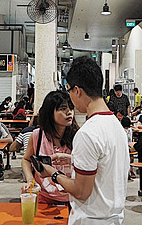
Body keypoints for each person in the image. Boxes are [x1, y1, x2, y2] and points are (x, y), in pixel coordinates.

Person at [39, 56, 129, 224]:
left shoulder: (87, 133)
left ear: (77, 90)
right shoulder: (116, 126)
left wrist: (52, 173)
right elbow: (106, 163)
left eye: (70, 91)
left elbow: (81, 191)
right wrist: (72, 158)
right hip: (114, 217)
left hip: (90, 219)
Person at [21, 91, 77, 205]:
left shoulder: (78, 136)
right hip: (44, 198)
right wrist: (30, 180)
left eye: (71, 108)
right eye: (63, 108)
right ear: (50, 113)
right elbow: (26, 159)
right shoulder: (38, 135)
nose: (69, 112)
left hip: (73, 200)